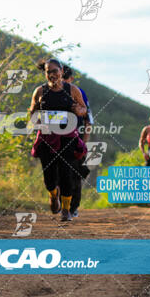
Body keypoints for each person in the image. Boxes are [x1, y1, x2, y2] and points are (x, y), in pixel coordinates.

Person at [29, 58, 87, 221]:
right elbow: (32, 112)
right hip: (47, 138)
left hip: (67, 137)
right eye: (49, 72)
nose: (52, 74)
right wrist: (37, 121)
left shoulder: (72, 90)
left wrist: (78, 110)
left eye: (55, 71)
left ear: (61, 71)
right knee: (49, 177)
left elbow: (84, 110)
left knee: (65, 173)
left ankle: (66, 210)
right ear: (45, 73)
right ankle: (53, 196)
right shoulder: (39, 91)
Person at [61, 65, 92, 218]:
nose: (64, 82)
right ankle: (63, 204)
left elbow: (88, 120)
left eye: (66, 79)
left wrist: (84, 143)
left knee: (75, 173)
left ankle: (73, 207)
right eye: (62, 78)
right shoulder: (51, 92)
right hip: (57, 139)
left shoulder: (79, 93)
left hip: (76, 140)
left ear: (71, 79)